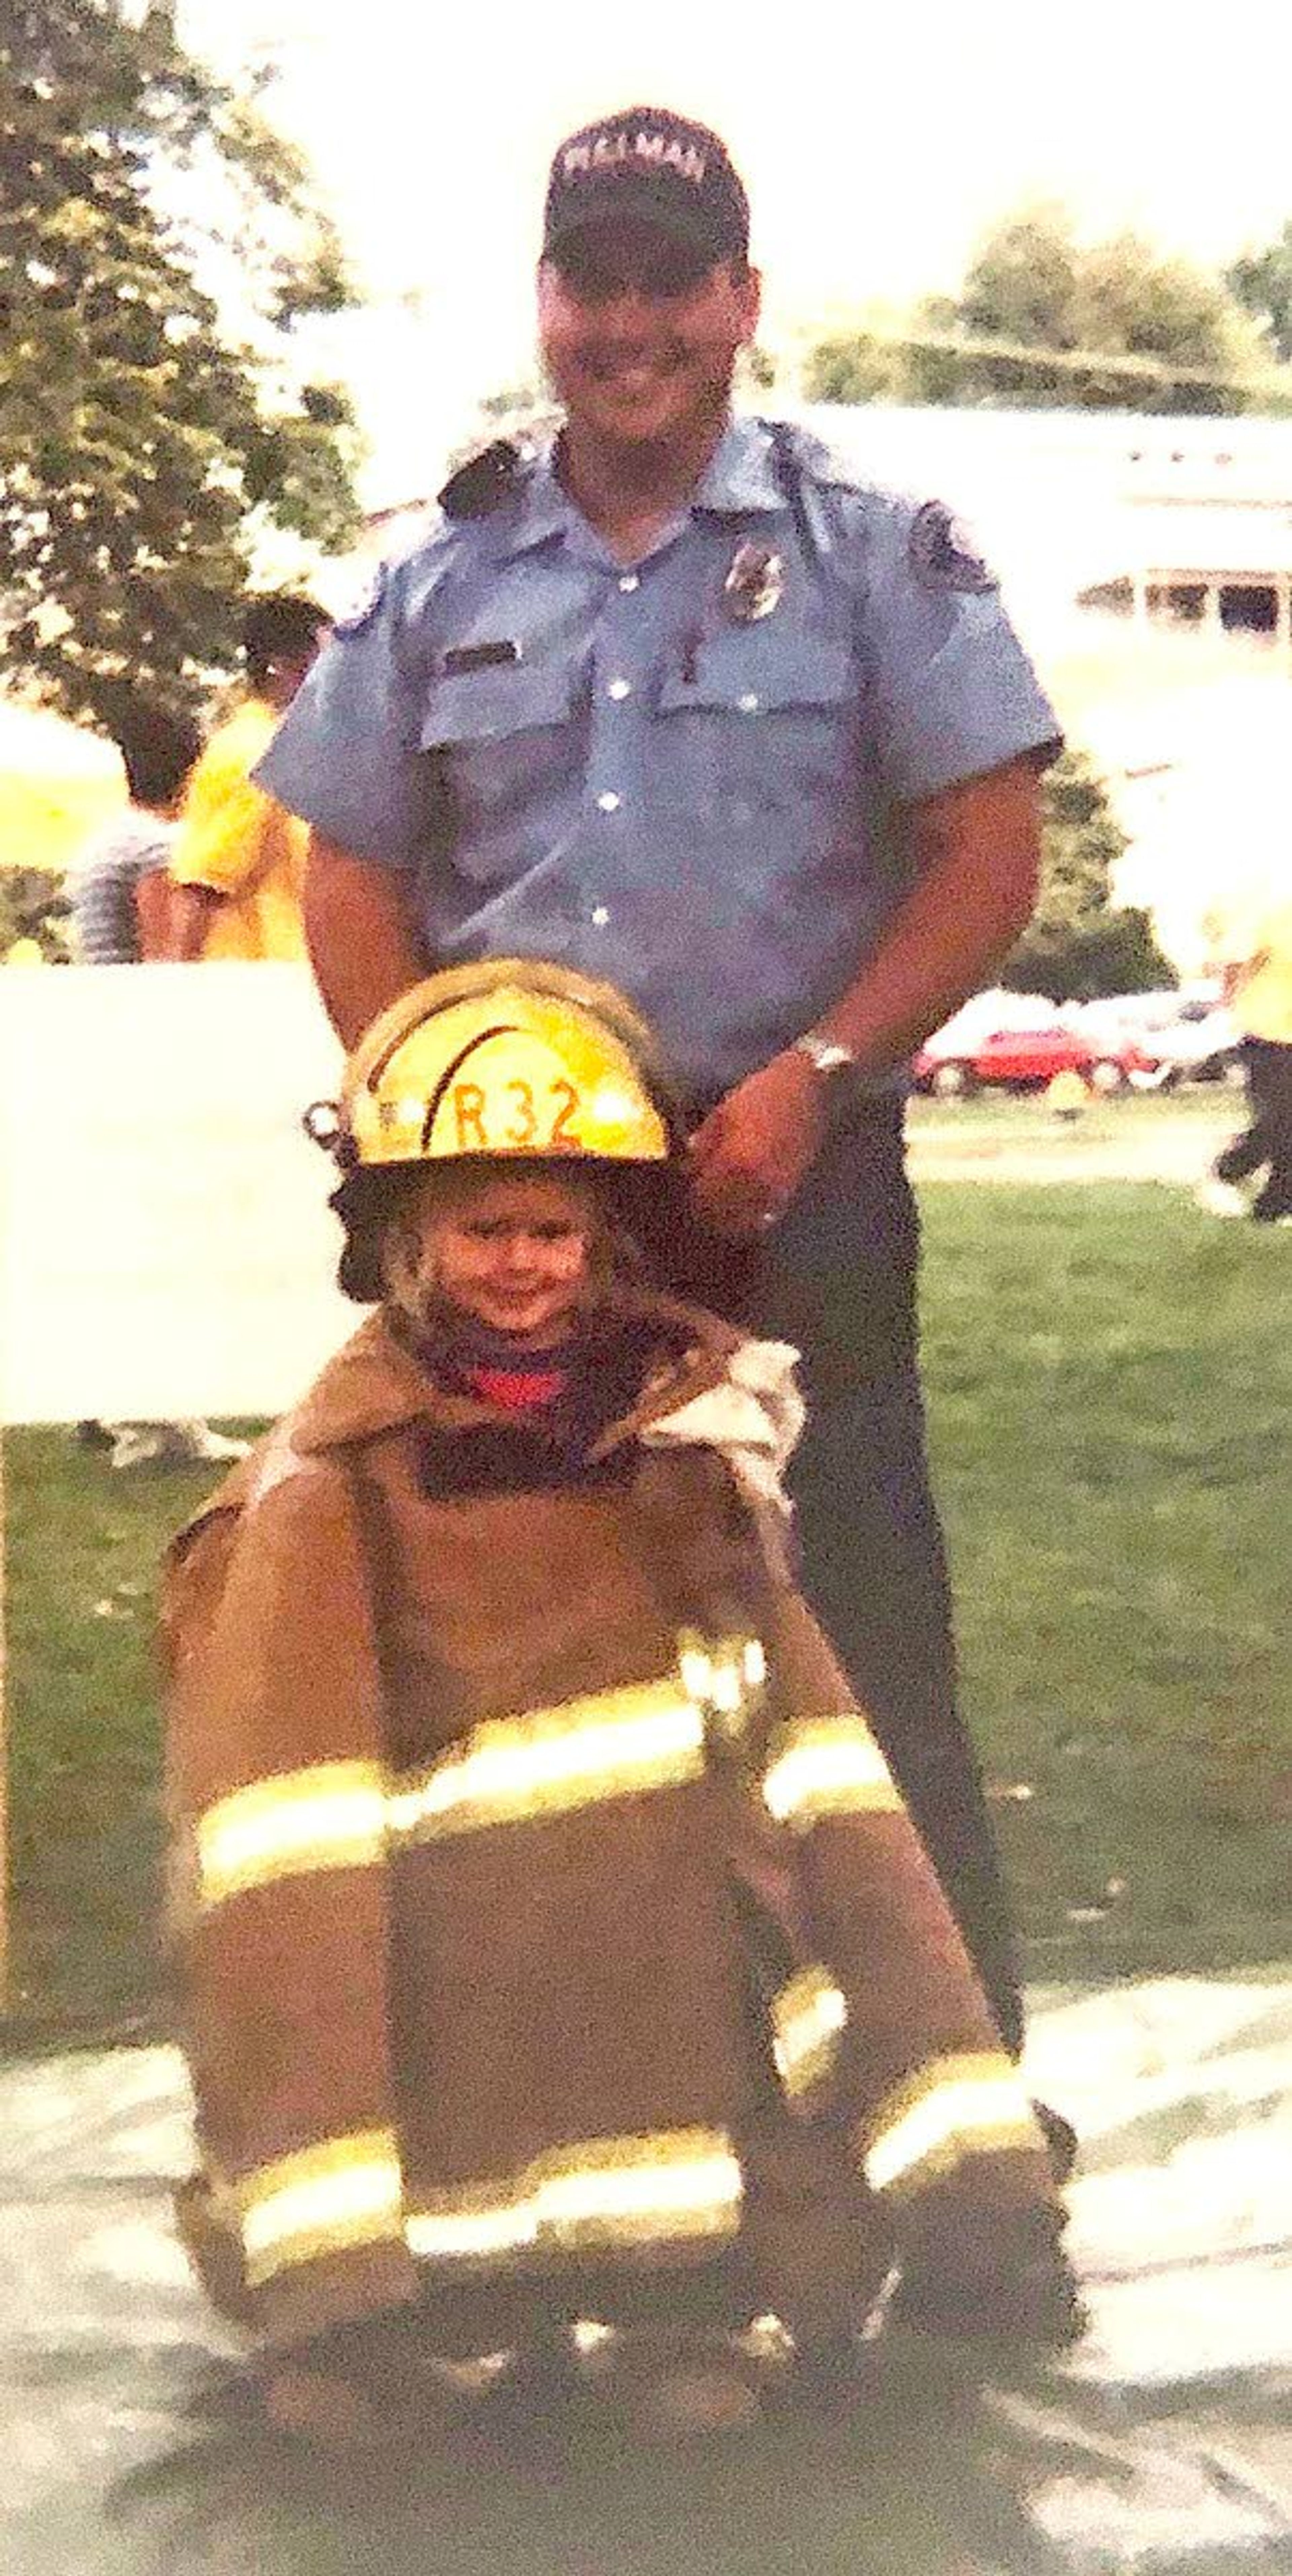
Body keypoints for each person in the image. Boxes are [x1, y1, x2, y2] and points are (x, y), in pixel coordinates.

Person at [252, 109, 1065, 2093]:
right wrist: (443, 1133)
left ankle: (953, 2112)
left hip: (790, 1178)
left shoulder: (876, 551)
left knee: (856, 1642)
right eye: (588, 280)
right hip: (534, 1225)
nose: (626, 325)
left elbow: (983, 850)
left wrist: (822, 1068)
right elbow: (348, 870)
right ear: (545, 300)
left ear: (739, 303)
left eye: (665, 281)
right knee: (524, 1666)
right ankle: (578, 2116)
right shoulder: (437, 570)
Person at [162, 961, 1079, 2453]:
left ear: (600, 1244)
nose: (521, 1264)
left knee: (686, 2095)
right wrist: (322, 2256)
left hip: (660, 1918)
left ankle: (687, 2295)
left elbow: (808, 1743)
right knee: (452, 2119)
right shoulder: (331, 1488)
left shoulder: (685, 1432)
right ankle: (382, 2317)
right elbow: (280, 1851)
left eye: (553, 1230)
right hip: (446, 1925)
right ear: (403, 1237)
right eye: (482, 1228)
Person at [68, 707, 249, 1473]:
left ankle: (135, 1407)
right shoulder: (157, 845)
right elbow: (162, 955)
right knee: (166, 1227)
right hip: (141, 1049)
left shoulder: (104, 839)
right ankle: (152, 1417)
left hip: (100, 1043)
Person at [166, 593, 328, 963]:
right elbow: (202, 885)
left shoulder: (282, 744)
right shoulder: (256, 753)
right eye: (327, 659)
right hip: (253, 983)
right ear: (282, 667)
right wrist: (176, 992)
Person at [1196, 883, 1292, 1225]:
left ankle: (1276, 1207)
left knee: (1289, 1127)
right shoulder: (1279, 920)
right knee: (1278, 1120)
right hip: (1266, 1033)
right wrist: (1228, 1007)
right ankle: (1225, 1174)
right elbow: (1237, 964)